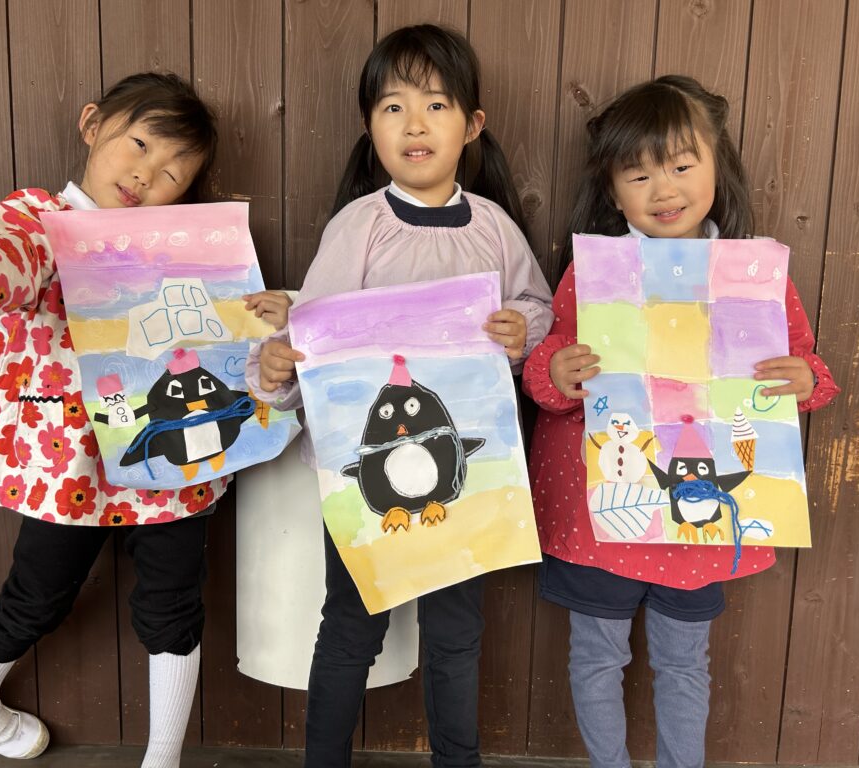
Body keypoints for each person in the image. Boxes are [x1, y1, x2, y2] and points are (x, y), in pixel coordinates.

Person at [245, 24, 553, 768]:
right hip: (363, 475)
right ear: (369, 126)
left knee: (456, 633)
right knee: (352, 625)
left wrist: (521, 332)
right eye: (393, 107)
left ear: (471, 126)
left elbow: (538, 312)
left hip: (465, 477)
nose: (415, 124)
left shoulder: (495, 229)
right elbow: (313, 345)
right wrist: (276, 372)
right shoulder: (359, 227)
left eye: (436, 105)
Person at [0, 72, 220, 768]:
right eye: (140, 144)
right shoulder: (41, 221)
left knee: (173, 607)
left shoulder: (182, 247)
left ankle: (162, 761)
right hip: (66, 460)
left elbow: (220, 334)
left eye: (172, 172)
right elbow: (1, 247)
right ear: (92, 124)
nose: (146, 174)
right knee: (37, 596)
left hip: (169, 452)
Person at [522, 74, 840, 768]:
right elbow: (549, 370)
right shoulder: (594, 272)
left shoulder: (753, 276)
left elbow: (803, 368)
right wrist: (556, 372)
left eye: (681, 166)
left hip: (699, 525)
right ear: (613, 191)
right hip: (603, 510)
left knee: (684, 662)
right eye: (638, 174)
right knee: (596, 657)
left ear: (717, 167)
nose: (662, 189)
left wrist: (806, 379)